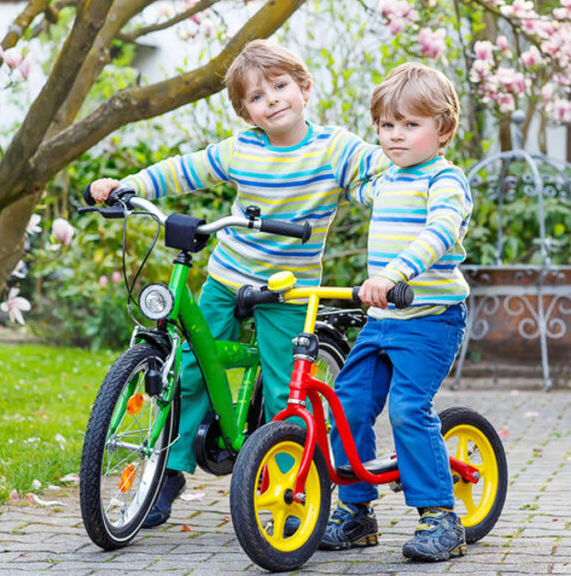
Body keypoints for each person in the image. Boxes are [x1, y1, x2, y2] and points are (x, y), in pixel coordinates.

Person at [87, 39, 388, 528]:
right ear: (246, 113)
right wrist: (132, 186)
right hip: (228, 276)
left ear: (305, 87)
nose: (271, 100)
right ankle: (169, 471)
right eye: (256, 97)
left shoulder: (333, 148)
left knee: (280, 387)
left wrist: (395, 189)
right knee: (189, 370)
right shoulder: (242, 148)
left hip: (287, 289)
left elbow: (377, 175)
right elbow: (186, 170)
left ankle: (290, 488)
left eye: (281, 86)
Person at [320, 62, 472, 562]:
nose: (396, 135)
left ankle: (441, 517)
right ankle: (356, 511)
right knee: (348, 406)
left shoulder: (446, 181)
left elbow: (441, 232)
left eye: (411, 125)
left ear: (443, 130)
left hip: (430, 318)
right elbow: (340, 185)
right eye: (387, 125)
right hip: (383, 320)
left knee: (409, 408)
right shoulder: (386, 180)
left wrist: (394, 274)